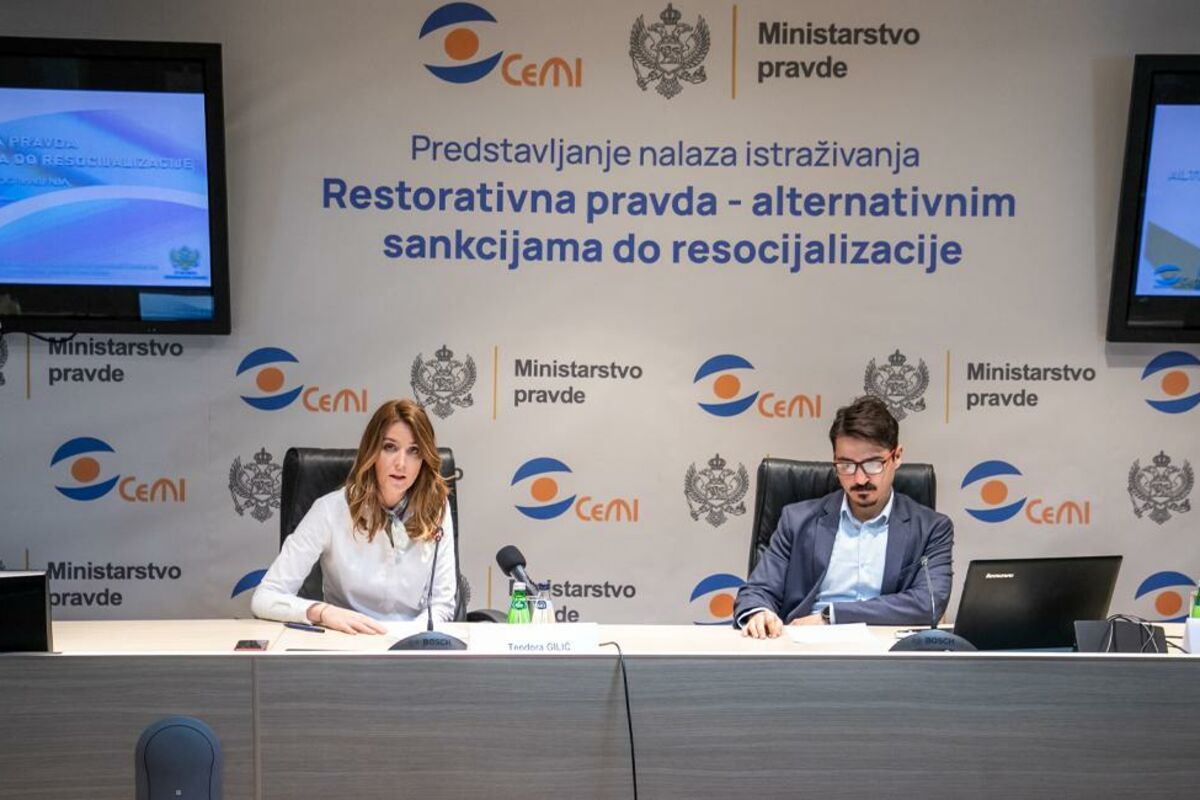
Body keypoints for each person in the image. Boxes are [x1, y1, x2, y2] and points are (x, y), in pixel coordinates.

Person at [734, 395, 953, 638]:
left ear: (897, 456)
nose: (860, 479)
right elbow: (756, 592)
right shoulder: (796, 521)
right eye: (846, 465)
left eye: (873, 464)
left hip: (886, 649)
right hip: (806, 646)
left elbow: (928, 603)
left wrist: (832, 617)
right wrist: (759, 612)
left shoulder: (931, 528)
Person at [252, 399, 457, 634]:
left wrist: (407, 639)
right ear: (372, 451)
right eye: (390, 447)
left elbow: (441, 605)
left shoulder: (435, 508)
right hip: (347, 642)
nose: (401, 463)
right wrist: (322, 612)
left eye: (414, 451)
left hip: (411, 644)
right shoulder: (329, 510)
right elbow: (265, 597)